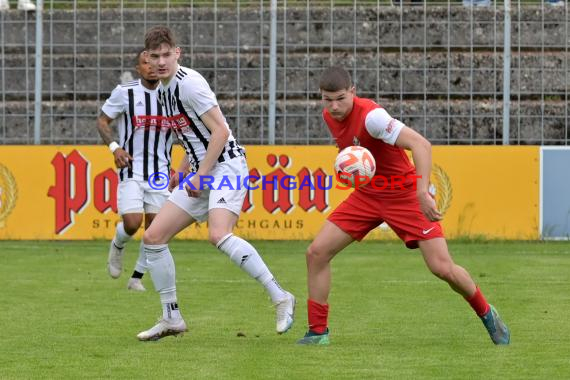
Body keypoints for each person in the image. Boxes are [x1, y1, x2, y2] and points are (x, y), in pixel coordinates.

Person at [297, 66, 510, 346]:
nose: (334, 106)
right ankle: (317, 333)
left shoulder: (373, 118)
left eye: (340, 98)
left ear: (353, 92)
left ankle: (487, 313)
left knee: (441, 267)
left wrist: (422, 192)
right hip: (368, 195)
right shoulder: (328, 115)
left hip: (405, 195)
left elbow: (421, 145)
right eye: (327, 99)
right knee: (316, 253)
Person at [135, 26, 295, 341]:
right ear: (147, 59)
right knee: (153, 237)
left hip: (226, 166)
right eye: (155, 56)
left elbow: (220, 132)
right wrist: (183, 168)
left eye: (167, 54)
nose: (162, 61)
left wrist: (200, 174)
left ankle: (281, 296)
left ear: (177, 53)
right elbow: (191, 134)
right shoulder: (163, 89)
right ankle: (172, 318)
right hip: (204, 168)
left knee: (219, 234)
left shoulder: (190, 84)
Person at [97, 49, 174, 292]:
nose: (151, 66)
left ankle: (136, 277)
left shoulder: (172, 93)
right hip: (131, 169)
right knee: (132, 223)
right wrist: (114, 147)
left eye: (154, 60)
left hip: (160, 171)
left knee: (155, 231)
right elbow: (102, 121)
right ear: (139, 67)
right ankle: (118, 246)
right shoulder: (125, 93)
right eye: (145, 62)